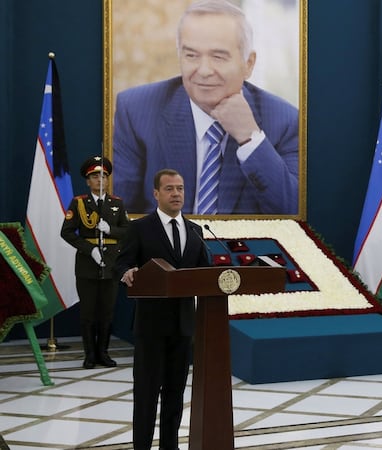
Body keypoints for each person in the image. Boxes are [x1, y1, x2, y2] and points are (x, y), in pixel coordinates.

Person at [113, 0, 299, 215]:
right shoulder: (136, 111)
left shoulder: (285, 121)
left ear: (248, 64)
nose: (203, 70)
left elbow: (293, 213)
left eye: (218, 57)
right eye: (191, 55)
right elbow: (117, 214)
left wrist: (250, 138)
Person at [117, 169, 209, 450]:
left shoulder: (195, 231)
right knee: (146, 393)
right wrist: (127, 271)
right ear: (155, 194)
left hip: (183, 326)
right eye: (169, 189)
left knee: (175, 392)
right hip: (151, 326)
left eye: (180, 188)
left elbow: (204, 273)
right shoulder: (140, 228)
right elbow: (121, 263)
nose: (176, 194)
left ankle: (170, 446)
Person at [61, 156, 130, 369]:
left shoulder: (116, 204)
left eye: (103, 176)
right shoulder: (79, 203)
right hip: (87, 265)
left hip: (110, 265)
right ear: (88, 181)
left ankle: (104, 353)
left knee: (107, 312)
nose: (100, 180)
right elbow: (66, 232)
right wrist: (89, 249)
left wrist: (111, 230)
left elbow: (128, 232)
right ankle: (90, 355)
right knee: (88, 312)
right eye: (94, 176)